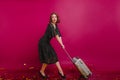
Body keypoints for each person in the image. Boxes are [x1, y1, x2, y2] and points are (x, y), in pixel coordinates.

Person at [38, 12, 66, 79]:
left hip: (46, 43)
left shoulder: (55, 25)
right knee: (48, 58)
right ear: (51, 18)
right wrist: (61, 44)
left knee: (52, 57)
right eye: (52, 17)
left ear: (57, 18)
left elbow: (59, 35)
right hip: (43, 43)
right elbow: (56, 36)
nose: (54, 18)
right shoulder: (50, 25)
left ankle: (60, 71)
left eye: (55, 17)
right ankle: (60, 71)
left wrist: (62, 44)